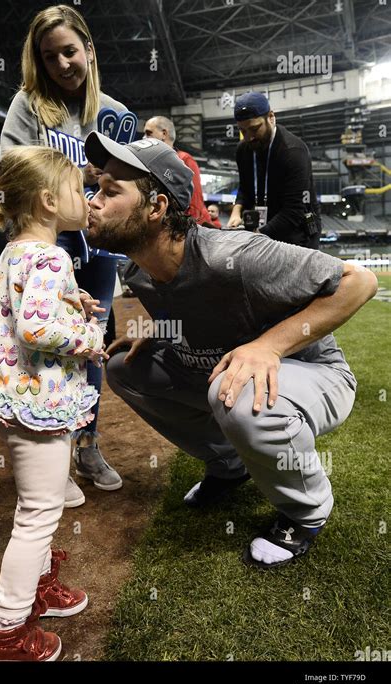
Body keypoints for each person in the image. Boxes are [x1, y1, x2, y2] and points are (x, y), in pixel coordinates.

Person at [82, 131, 377, 569]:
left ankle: (306, 510)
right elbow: (196, 304)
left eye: (110, 190)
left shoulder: (233, 254)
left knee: (236, 392)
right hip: (225, 371)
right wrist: (161, 328)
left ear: (157, 208)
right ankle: (228, 466)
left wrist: (268, 346)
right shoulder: (139, 270)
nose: (92, 199)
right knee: (125, 366)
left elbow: (359, 282)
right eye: (95, 188)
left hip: (315, 374)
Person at [0, 145, 108, 661]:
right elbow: (36, 325)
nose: (86, 197)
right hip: (37, 403)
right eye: (77, 189)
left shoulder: (17, 248)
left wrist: (74, 302)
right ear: (49, 201)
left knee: (37, 504)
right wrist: (87, 337)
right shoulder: (50, 253)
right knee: (39, 512)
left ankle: (42, 590)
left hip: (18, 399)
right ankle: (4, 635)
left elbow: (28, 306)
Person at [0, 4, 125, 495]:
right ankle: (49, 452)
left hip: (98, 250)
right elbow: (11, 172)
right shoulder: (28, 105)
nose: (62, 64)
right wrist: (75, 173)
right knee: (42, 344)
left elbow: (127, 186)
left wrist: (109, 179)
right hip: (47, 249)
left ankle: (87, 443)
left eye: (70, 51)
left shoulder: (114, 113)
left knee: (89, 346)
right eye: (50, 57)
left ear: (89, 51)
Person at [227, 92, 321, 249]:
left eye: (255, 129)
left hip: (297, 232)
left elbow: (293, 211)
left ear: (271, 117)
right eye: (243, 131)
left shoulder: (294, 151)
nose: (249, 137)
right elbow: (245, 188)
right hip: (262, 231)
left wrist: (256, 236)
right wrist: (236, 212)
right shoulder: (243, 150)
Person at [144, 115, 212, 226]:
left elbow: (194, 202)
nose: (144, 138)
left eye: (148, 133)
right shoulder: (151, 164)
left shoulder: (184, 160)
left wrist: (189, 233)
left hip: (189, 229)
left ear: (164, 134)